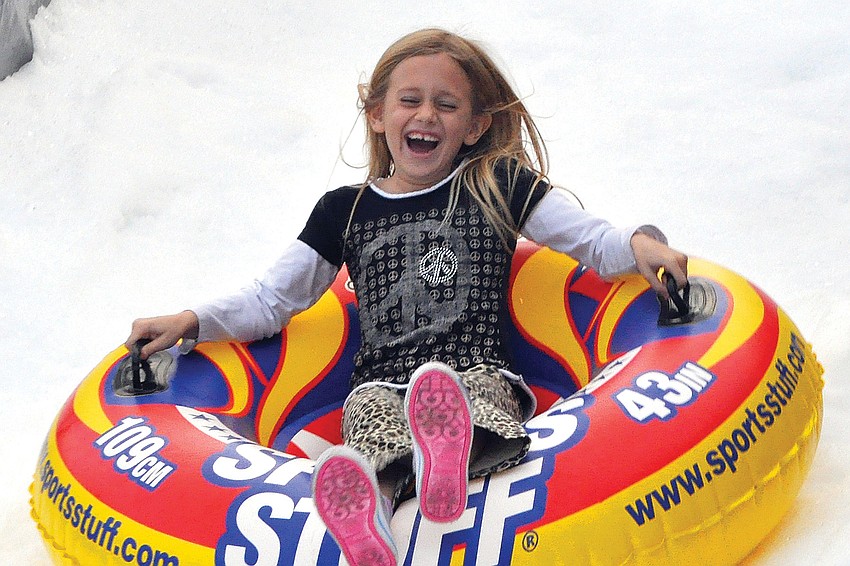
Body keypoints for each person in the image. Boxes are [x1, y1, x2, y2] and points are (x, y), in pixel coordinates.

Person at [125, 28, 688, 566]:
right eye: (409, 100)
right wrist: (192, 320)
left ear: (474, 126)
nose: (425, 116)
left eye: (446, 105)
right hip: (377, 382)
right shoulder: (342, 212)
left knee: (470, 403)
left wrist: (638, 245)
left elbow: (585, 238)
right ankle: (369, 519)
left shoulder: (494, 183)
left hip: (475, 368)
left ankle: (445, 456)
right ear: (377, 115)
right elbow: (273, 299)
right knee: (371, 432)